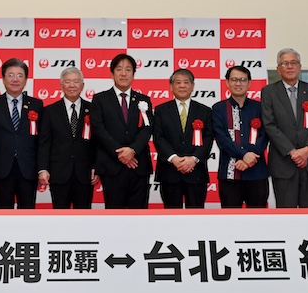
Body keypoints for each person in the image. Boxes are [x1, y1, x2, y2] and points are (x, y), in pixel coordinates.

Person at [261, 48, 308, 208]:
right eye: (285, 63)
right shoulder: (269, 92)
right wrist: (293, 152)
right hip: (284, 163)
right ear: (278, 68)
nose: (289, 66)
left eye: (293, 62)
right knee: (286, 215)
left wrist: (307, 150)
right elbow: (269, 125)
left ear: (300, 66)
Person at [89, 53, 154, 209]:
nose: (123, 73)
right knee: (114, 216)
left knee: (139, 216)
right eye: (119, 69)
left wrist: (132, 150)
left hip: (138, 165)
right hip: (112, 166)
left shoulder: (143, 100)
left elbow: (147, 128)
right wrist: (121, 153)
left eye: (128, 69)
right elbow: (99, 129)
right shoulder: (100, 99)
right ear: (112, 73)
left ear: (133, 74)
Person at [0, 58, 44, 209]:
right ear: (3, 79)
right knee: (2, 213)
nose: (15, 79)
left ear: (26, 80)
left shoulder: (36, 104)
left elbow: (42, 140)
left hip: (28, 168)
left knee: (28, 213)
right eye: (10, 75)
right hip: (2, 168)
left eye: (19, 75)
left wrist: (41, 167)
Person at [152, 69, 213, 208]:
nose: (182, 86)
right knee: (171, 217)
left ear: (192, 86)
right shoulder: (161, 110)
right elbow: (158, 137)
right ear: (171, 86)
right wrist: (174, 158)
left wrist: (194, 159)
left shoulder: (205, 111)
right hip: (170, 172)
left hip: (196, 172)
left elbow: (208, 138)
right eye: (178, 82)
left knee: (196, 217)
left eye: (186, 82)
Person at [37, 67, 97, 209]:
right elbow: (44, 143)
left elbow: (98, 142)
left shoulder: (93, 109)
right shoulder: (49, 111)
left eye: (76, 81)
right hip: (58, 173)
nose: (72, 85)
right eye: (68, 81)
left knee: (83, 218)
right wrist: (43, 169)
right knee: (59, 217)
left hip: (85, 173)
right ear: (61, 85)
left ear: (82, 85)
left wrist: (96, 167)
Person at [212, 65, 269, 208]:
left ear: (249, 83)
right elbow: (222, 139)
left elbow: (265, 135)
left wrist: (251, 157)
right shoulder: (218, 108)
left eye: (243, 80)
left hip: (257, 173)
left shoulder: (260, 107)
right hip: (230, 174)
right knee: (230, 221)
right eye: (234, 80)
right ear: (227, 82)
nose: (238, 83)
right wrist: (244, 155)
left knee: (258, 220)